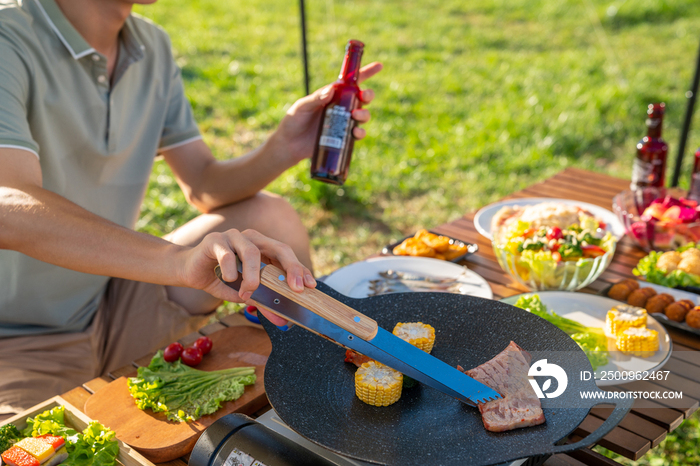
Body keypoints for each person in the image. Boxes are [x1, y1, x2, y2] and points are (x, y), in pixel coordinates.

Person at [0, 0, 382, 419]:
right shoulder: (9, 33)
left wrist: (284, 148)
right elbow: (10, 205)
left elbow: (202, 183)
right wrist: (178, 262)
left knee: (269, 217)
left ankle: (330, 387)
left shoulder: (150, 44)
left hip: (110, 295)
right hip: (18, 340)